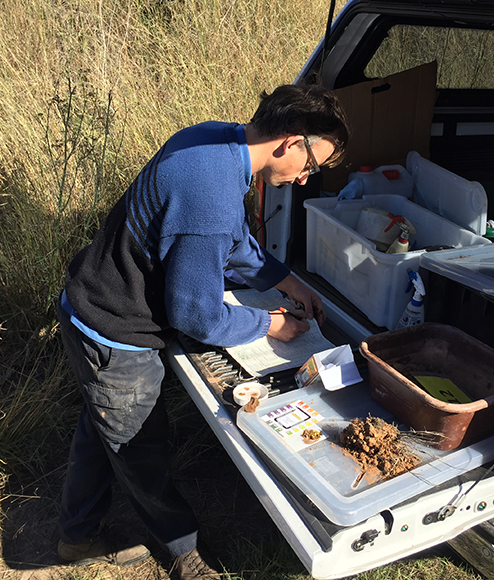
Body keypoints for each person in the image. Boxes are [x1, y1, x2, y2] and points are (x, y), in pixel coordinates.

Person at [55, 83, 350, 579]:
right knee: (139, 446)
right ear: (291, 140)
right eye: (312, 165)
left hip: (91, 306)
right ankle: (184, 553)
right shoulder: (211, 193)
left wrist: (286, 280)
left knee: (102, 428)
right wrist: (271, 324)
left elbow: (232, 242)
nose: (304, 180)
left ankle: (75, 534)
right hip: (116, 333)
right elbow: (196, 316)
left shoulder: (214, 141)